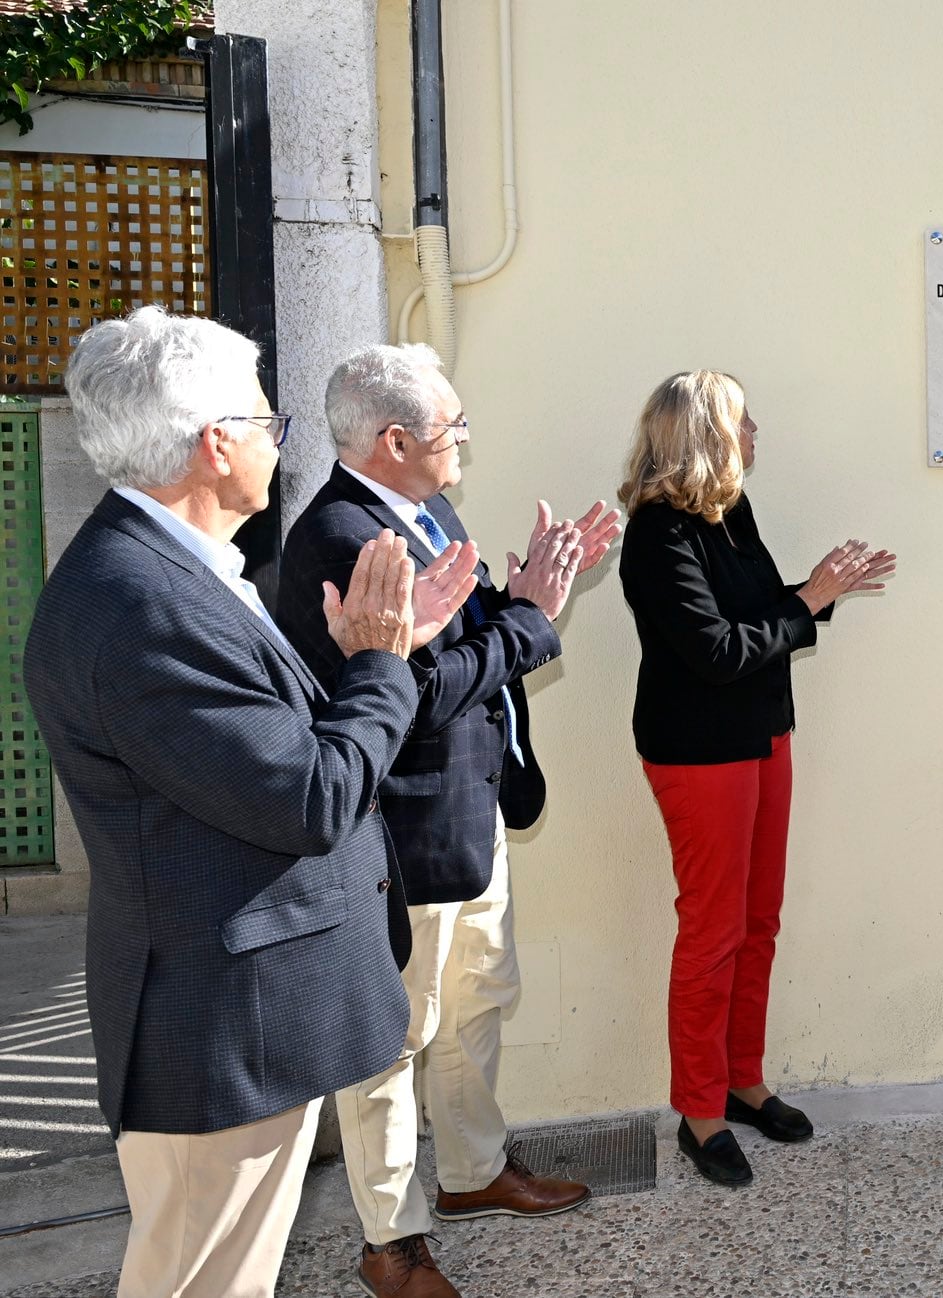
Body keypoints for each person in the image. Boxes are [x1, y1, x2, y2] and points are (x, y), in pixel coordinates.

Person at [22, 308, 477, 1298]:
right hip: (218, 1027)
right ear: (214, 441)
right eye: (268, 420)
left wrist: (396, 640)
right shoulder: (139, 601)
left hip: (242, 1011)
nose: (281, 439)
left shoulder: (169, 568)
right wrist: (383, 663)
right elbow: (308, 796)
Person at [278, 344, 621, 1298]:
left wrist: (516, 602)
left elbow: (460, 648)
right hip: (403, 831)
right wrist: (534, 618)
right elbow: (410, 695)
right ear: (393, 441)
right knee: (392, 1037)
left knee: (474, 999)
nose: (464, 438)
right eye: (450, 427)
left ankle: (472, 1175)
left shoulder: (421, 507)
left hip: (469, 809)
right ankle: (391, 1241)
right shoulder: (351, 538)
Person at [617, 371, 895, 1186]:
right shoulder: (658, 535)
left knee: (758, 921)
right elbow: (716, 652)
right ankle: (699, 1114)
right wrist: (808, 600)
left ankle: (743, 1082)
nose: (757, 429)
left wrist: (818, 591)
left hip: (764, 736)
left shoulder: (729, 513)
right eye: (743, 419)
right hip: (699, 752)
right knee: (711, 932)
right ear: (705, 431)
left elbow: (757, 615)